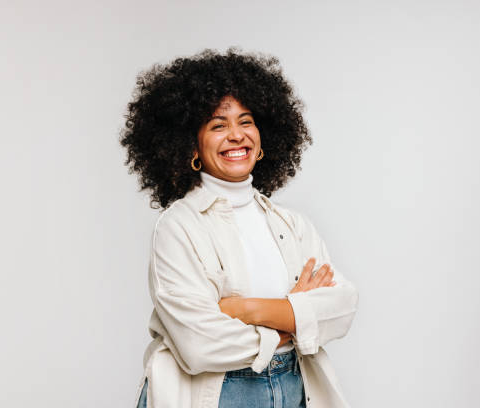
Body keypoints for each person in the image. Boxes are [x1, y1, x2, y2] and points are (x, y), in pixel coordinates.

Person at [120, 48, 359, 408]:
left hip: (292, 387)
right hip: (217, 394)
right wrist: (291, 322)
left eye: (246, 121)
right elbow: (199, 345)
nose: (236, 135)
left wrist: (245, 309)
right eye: (218, 125)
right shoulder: (179, 226)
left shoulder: (291, 224)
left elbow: (341, 307)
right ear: (191, 145)